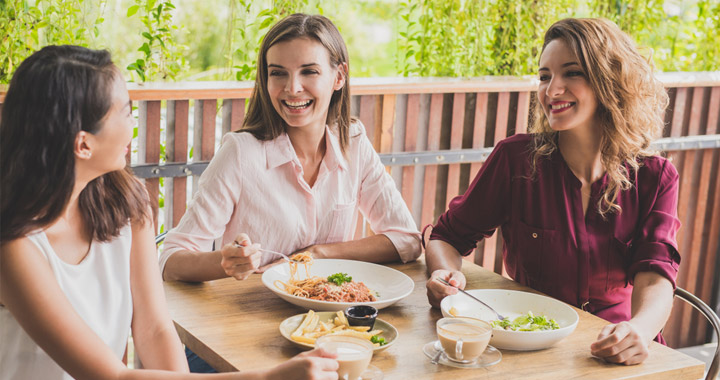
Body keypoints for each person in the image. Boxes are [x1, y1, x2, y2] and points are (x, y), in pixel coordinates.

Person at [0, 45, 339, 380]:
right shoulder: (15, 247)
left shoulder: (125, 204)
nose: (133, 123)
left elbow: (154, 329)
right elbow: (111, 377)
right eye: (124, 111)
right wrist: (267, 379)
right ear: (83, 144)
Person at [425, 18, 680, 366]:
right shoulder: (515, 160)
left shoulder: (656, 176)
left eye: (571, 73)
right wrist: (442, 274)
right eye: (545, 76)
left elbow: (656, 273)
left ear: (608, 81)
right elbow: (445, 237)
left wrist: (640, 330)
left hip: (617, 350)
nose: (552, 90)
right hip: (528, 348)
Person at [160, 13, 420, 283]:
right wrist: (225, 262)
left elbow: (407, 241)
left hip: (332, 317)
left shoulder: (353, 142)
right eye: (278, 73)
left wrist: (319, 254)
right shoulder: (241, 153)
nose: (292, 88)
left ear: (338, 77)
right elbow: (170, 261)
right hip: (248, 316)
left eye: (309, 71)